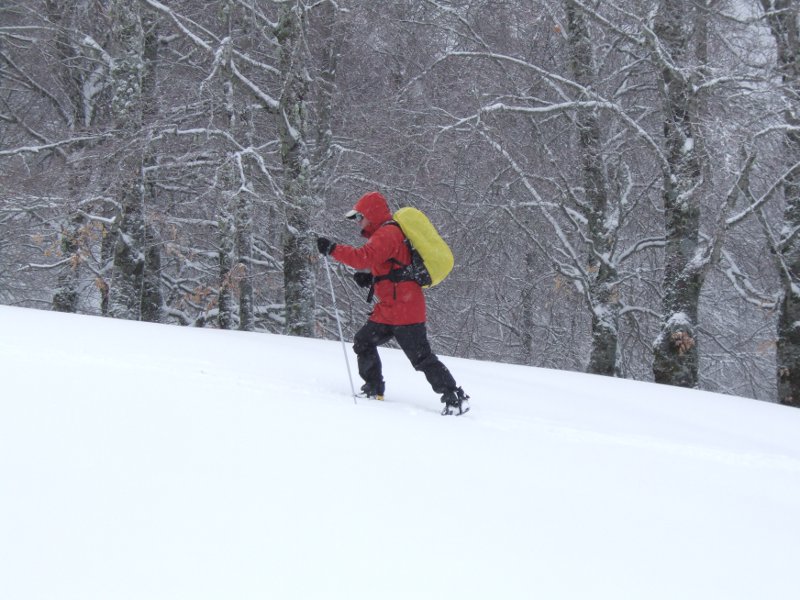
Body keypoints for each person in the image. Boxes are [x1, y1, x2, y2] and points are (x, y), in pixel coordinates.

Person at [316, 191, 469, 415]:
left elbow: (363, 257)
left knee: (421, 358)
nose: (359, 222)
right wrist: (372, 278)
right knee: (363, 341)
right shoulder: (384, 234)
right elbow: (394, 267)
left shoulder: (387, 233)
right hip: (391, 309)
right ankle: (373, 388)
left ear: (372, 213)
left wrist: (333, 249)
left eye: (360, 217)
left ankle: (455, 397)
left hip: (405, 311)